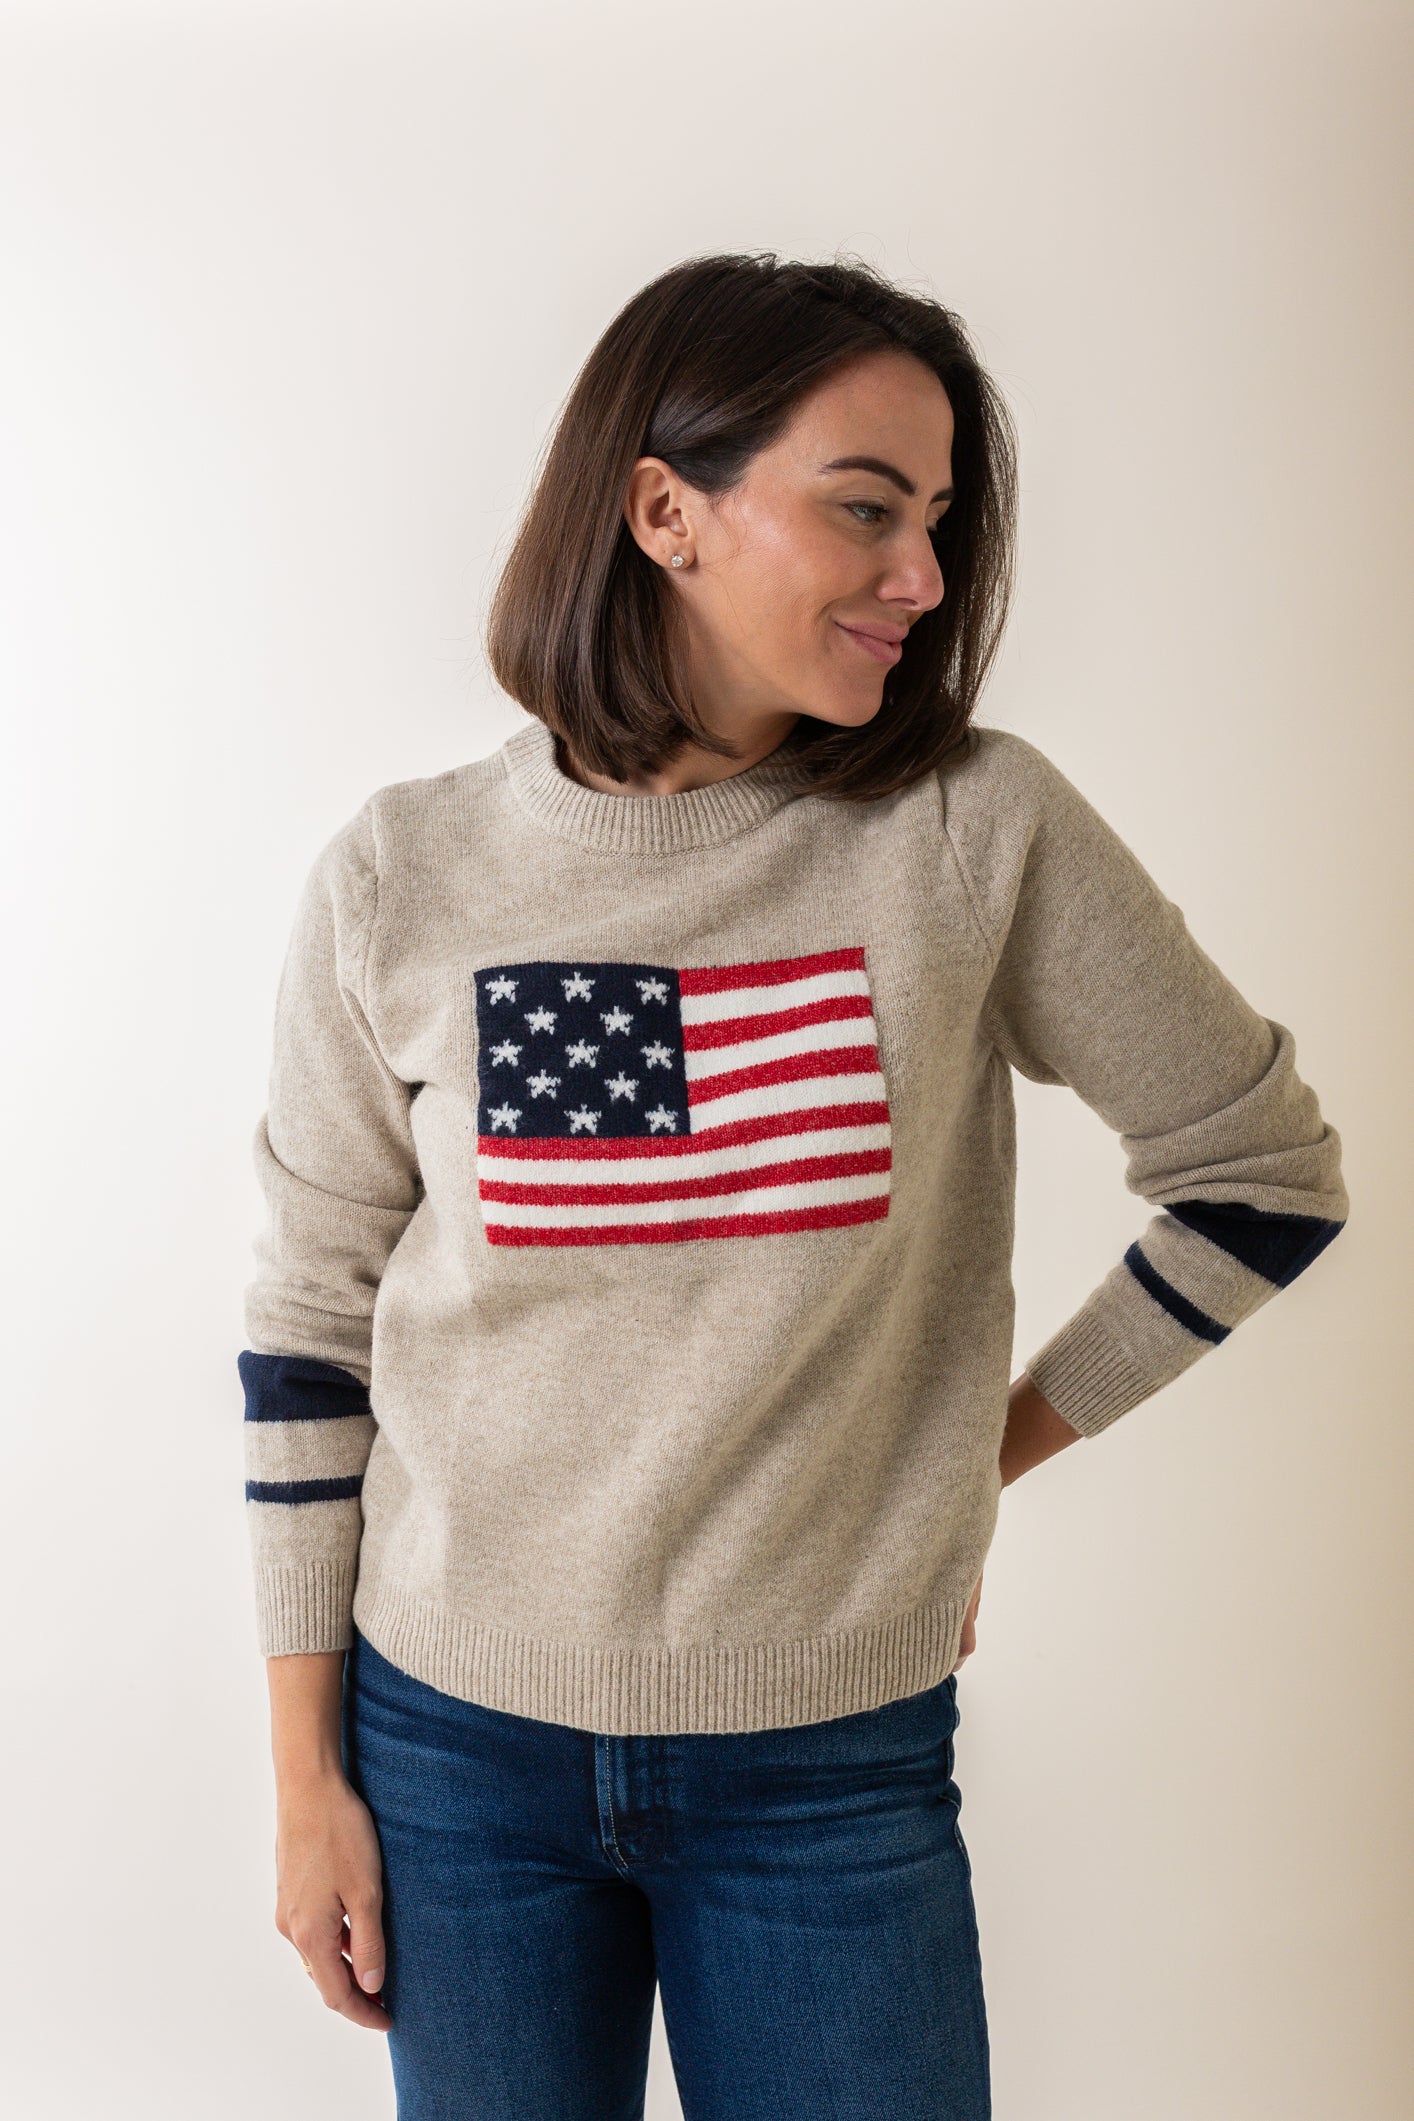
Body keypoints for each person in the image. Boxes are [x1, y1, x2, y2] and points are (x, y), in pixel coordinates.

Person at [239, 251, 1349, 2120]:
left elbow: (1260, 1185)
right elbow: (305, 1327)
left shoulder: (972, 831)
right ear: (662, 511)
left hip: (824, 1769)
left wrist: (966, 1455)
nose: (923, 576)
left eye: (936, 521)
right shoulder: (399, 874)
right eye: (863, 508)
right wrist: (303, 1780)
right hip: (451, 1757)